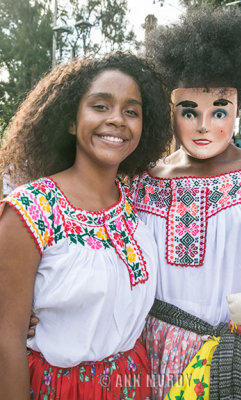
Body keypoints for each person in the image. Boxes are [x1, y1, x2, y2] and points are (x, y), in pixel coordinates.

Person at [0, 52, 172, 400]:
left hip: (131, 386)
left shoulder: (137, 205)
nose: (118, 120)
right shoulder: (30, 210)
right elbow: (6, 340)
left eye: (131, 111)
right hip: (57, 390)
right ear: (70, 121)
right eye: (100, 106)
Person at [130, 7, 241, 399]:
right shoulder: (139, 184)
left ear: (238, 107)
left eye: (219, 110)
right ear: (169, 112)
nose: (205, 124)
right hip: (156, 365)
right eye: (190, 111)